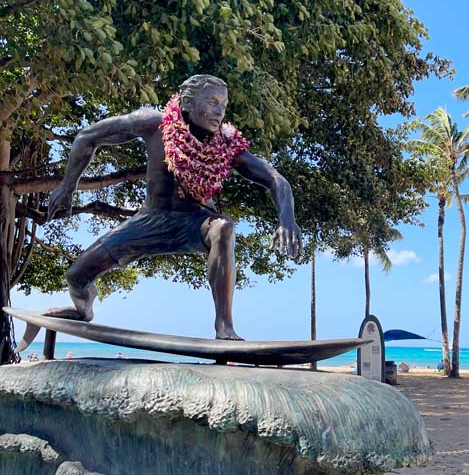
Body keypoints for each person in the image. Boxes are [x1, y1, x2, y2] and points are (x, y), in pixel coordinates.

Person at [29, 74, 301, 344]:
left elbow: (275, 179)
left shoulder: (226, 144)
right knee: (76, 276)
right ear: (187, 102)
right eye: (212, 102)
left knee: (223, 227)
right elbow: (88, 136)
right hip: (150, 220)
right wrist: (67, 186)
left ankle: (224, 326)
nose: (220, 111)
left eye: (224, 105)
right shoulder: (154, 123)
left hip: (195, 222)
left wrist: (286, 218)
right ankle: (83, 310)